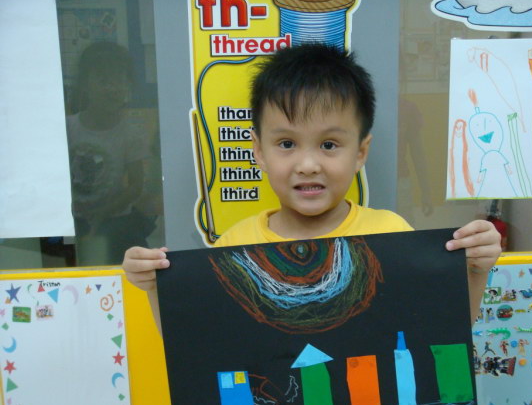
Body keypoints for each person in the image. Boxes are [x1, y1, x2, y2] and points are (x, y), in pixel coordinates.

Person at [123, 43, 501, 334]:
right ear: (259, 151)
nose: (307, 164)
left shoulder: (391, 234)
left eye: (329, 144)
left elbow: (440, 333)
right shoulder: (234, 247)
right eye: (287, 143)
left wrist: (474, 271)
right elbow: (200, 344)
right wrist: (156, 287)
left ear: (360, 152)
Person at [67, 41, 156, 265]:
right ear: (85, 85)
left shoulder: (130, 133)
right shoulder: (68, 127)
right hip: (74, 221)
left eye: (119, 80)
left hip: (115, 221)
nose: (112, 88)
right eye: (103, 80)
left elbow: (136, 186)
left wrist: (103, 212)